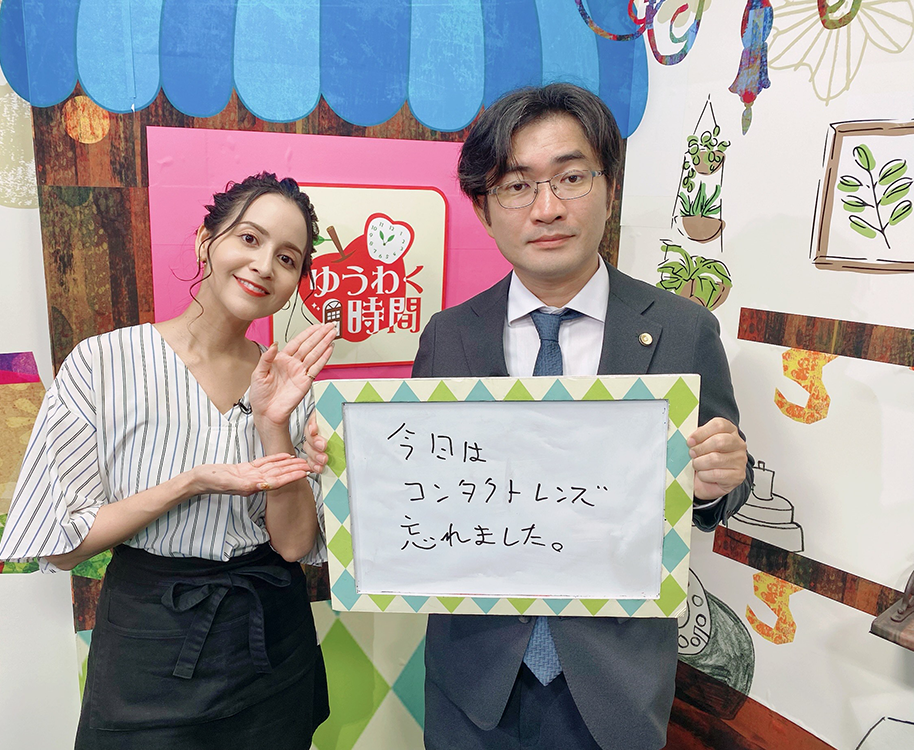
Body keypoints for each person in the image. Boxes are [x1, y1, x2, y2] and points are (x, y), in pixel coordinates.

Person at [305, 84, 753, 750]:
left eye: (570, 177)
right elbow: (416, 485)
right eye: (517, 187)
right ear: (485, 211)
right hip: (474, 683)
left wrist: (720, 478)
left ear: (609, 189)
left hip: (615, 687)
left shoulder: (682, 329)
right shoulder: (450, 335)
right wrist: (347, 464)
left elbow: (725, 483)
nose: (547, 208)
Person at [0, 173, 337, 749]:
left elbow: (293, 546)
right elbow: (62, 546)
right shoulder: (103, 364)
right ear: (207, 240)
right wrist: (191, 482)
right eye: (249, 239)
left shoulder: (287, 382)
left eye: (287, 258)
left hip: (270, 639)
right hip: (149, 638)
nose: (263, 266)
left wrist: (272, 423)